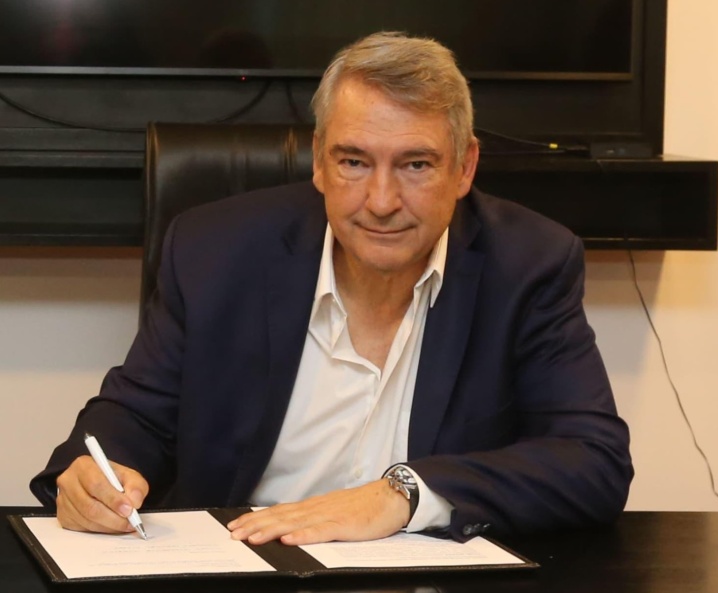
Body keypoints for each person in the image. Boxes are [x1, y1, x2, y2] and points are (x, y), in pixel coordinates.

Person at [31, 31, 633, 545]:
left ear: (464, 168)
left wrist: (403, 493)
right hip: (241, 567)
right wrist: (95, 474)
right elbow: (136, 416)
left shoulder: (527, 264)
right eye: (353, 162)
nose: (382, 201)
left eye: (416, 165)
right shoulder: (215, 251)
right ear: (318, 160)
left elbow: (592, 461)